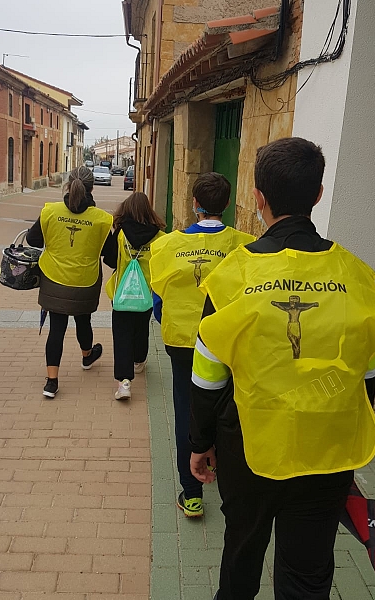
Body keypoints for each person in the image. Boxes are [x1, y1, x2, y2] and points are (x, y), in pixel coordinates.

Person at [189, 138, 375, 600]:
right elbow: (365, 378)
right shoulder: (355, 275)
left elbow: (207, 376)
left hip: (248, 445)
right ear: (319, 194)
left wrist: (201, 442)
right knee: (307, 574)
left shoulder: (232, 275)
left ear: (259, 197)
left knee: (241, 555)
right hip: (325, 449)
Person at [149, 172, 255, 518]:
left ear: (194, 203)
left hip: (183, 340)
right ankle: (227, 479)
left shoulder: (166, 244)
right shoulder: (245, 245)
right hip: (226, 342)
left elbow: (159, 298)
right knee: (228, 407)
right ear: (227, 204)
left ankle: (191, 493)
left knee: (187, 409)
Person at [27, 166, 113, 398]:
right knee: (83, 320)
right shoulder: (102, 220)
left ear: (67, 185)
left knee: (57, 328)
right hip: (85, 280)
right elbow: (112, 255)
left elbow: (32, 239)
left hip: (54, 279)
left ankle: (51, 382)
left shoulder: (50, 212)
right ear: (92, 188)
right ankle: (87, 356)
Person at [103, 192, 165, 400]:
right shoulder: (160, 237)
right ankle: (139, 359)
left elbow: (110, 261)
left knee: (121, 335)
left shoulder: (120, 234)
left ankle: (124, 383)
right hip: (146, 294)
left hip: (122, 293)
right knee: (141, 329)